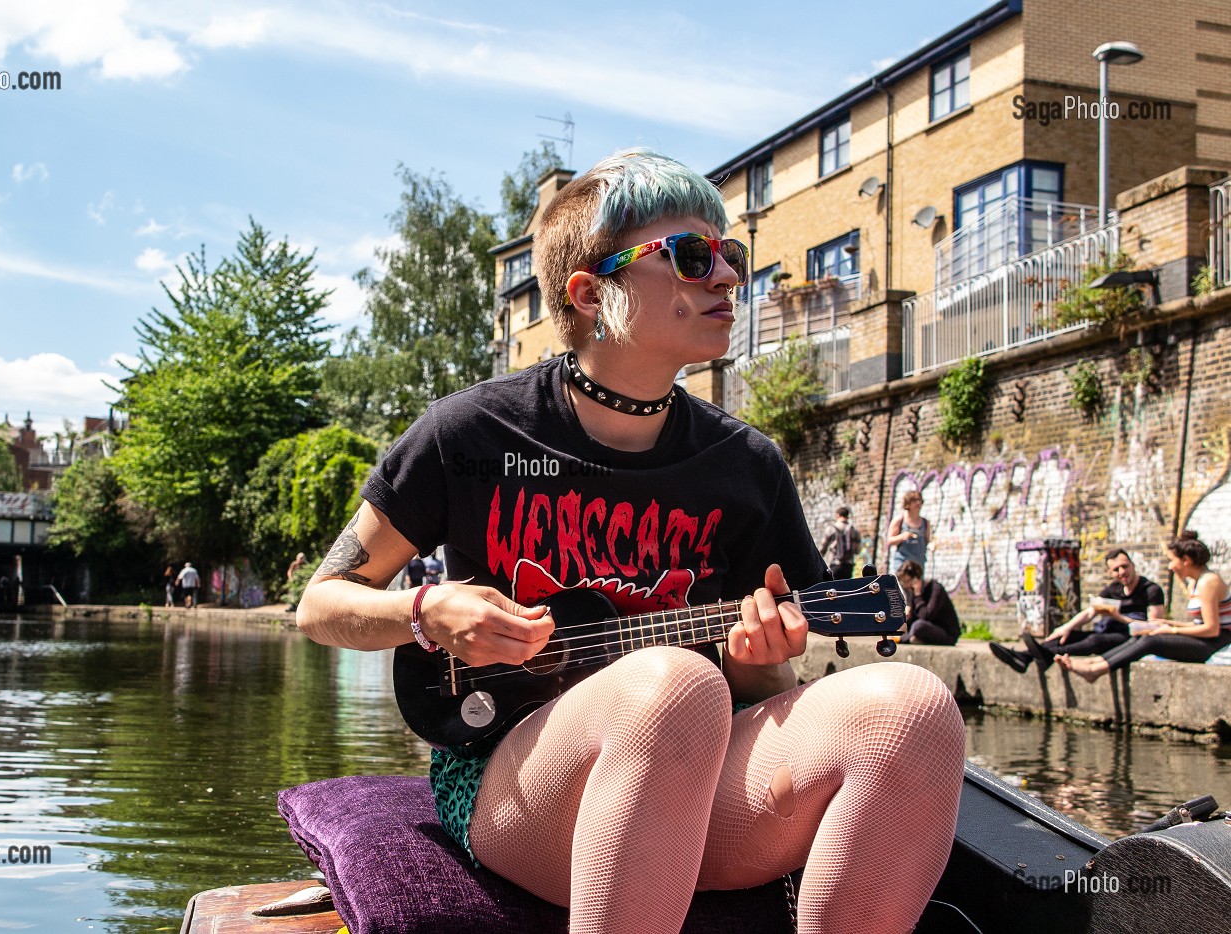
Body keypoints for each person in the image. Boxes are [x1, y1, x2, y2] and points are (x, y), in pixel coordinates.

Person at [295, 149, 964, 934]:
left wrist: (759, 661)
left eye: (730, 255)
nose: (726, 277)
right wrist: (428, 610)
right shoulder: (470, 432)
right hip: (509, 779)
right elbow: (320, 604)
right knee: (673, 686)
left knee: (914, 710)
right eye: (689, 256)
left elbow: (767, 696)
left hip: (689, 773)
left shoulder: (746, 466)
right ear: (590, 292)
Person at [1060, 530, 1231, 682]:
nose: (1170, 567)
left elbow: (1212, 629)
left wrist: (1170, 631)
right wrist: (1168, 624)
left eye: (1172, 561)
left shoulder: (1209, 581)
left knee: (1150, 641)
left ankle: (1094, 670)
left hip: (1216, 644)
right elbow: (1199, 625)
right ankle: (1094, 662)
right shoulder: (1196, 582)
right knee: (1144, 634)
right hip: (1207, 639)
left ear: (1185, 560)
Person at [990, 548, 1164, 674]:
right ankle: (1024, 657)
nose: (1121, 572)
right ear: (1110, 573)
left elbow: (1152, 627)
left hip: (1131, 639)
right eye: (1116, 570)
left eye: (1124, 567)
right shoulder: (1113, 589)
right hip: (1109, 632)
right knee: (1068, 636)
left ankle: (1035, 656)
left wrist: (1118, 617)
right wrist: (1066, 627)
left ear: (1133, 565)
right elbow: (1090, 612)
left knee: (1095, 640)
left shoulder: (1150, 590)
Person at [895, 560, 960, 645]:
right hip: (927, 629)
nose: (904, 586)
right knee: (903, 623)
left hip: (946, 634)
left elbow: (925, 616)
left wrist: (918, 596)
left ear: (916, 579)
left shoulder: (935, 589)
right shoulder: (910, 591)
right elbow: (914, 617)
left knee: (918, 626)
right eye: (902, 582)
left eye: (906, 581)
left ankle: (905, 639)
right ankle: (912, 638)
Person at [885, 490, 930, 575]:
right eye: (914, 500)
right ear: (907, 503)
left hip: (919, 563)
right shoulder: (899, 520)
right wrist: (901, 537)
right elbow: (889, 540)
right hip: (902, 563)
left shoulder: (925, 523)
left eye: (919, 500)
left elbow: (927, 541)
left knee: (916, 587)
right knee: (901, 587)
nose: (918, 503)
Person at [819, 505, 862, 580]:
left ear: (837, 515)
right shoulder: (854, 530)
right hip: (848, 566)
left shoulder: (831, 528)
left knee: (833, 587)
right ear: (847, 516)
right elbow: (857, 551)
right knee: (845, 588)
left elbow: (823, 548)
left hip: (835, 564)